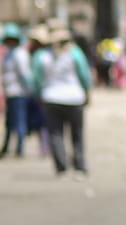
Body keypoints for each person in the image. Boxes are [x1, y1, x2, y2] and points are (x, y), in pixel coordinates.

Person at [33, 23, 93, 177]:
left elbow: (36, 79)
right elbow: (84, 76)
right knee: (77, 134)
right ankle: (79, 166)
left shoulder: (42, 55)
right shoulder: (75, 53)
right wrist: (87, 92)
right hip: (74, 98)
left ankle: (61, 167)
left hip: (51, 98)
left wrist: (39, 94)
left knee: (55, 134)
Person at [0, 24, 35, 158]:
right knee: (9, 122)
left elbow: (25, 74)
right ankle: (6, 148)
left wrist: (31, 90)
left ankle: (19, 148)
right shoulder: (9, 54)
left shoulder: (19, 54)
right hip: (10, 92)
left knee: (19, 121)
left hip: (19, 93)